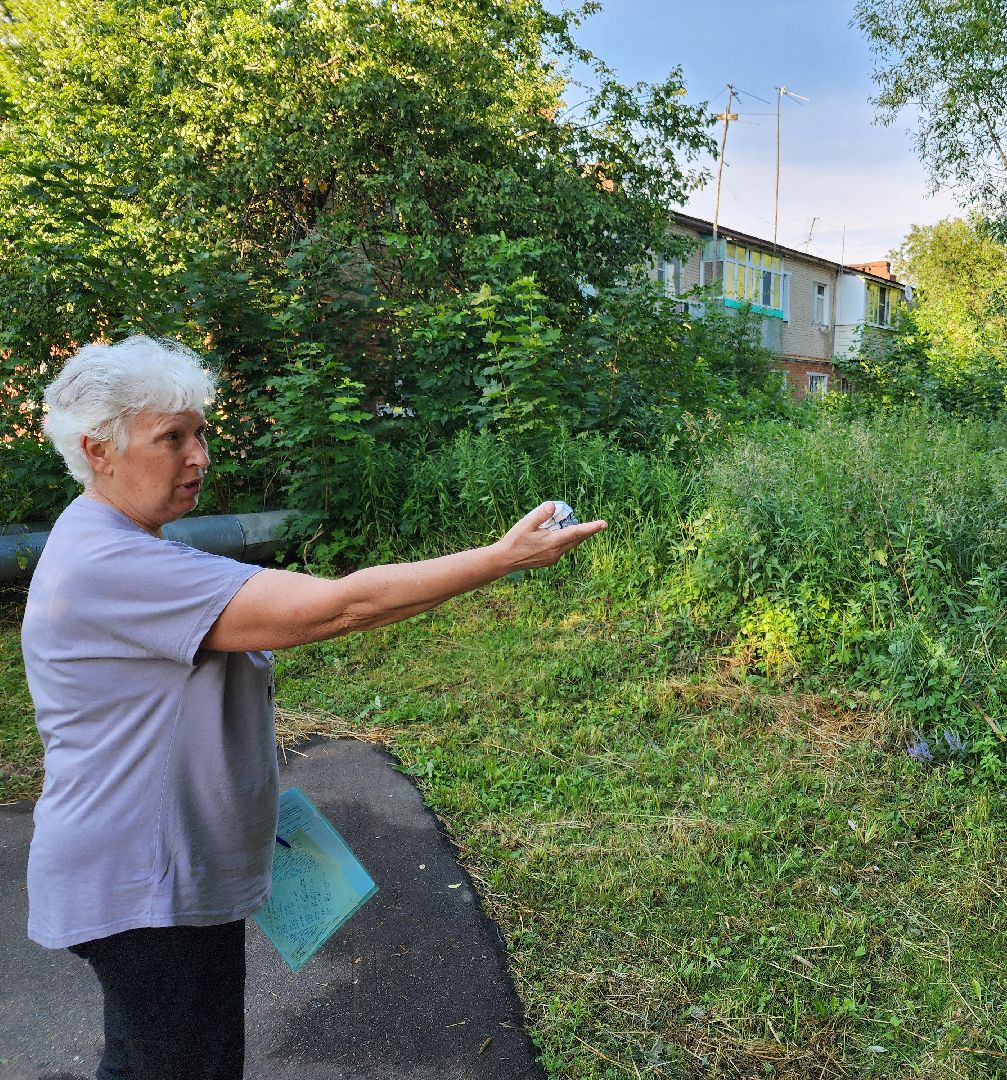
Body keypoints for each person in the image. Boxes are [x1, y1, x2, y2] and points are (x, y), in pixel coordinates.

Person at [21, 334, 605, 1079]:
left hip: (150, 875)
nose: (199, 456)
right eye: (172, 438)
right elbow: (334, 609)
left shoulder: (117, 542)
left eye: (200, 432)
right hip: (148, 886)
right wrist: (499, 558)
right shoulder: (113, 563)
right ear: (98, 450)